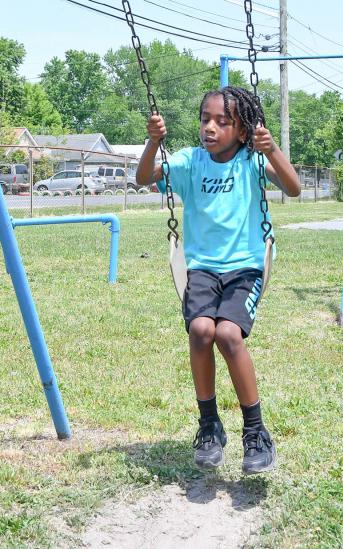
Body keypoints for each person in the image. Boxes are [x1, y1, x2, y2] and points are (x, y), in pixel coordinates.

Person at [136, 86, 300, 475]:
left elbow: (293, 187)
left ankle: (256, 432)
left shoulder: (251, 161)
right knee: (200, 330)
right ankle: (209, 425)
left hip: (245, 267)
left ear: (243, 131)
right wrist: (153, 142)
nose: (210, 127)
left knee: (228, 335)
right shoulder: (191, 161)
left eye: (222, 122)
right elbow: (144, 178)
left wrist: (271, 148)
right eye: (205, 119)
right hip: (203, 269)